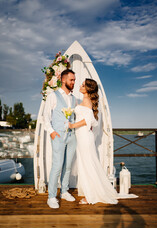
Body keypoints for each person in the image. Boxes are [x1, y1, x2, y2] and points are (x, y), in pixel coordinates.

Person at [68, 79, 118, 204]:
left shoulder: (86, 101)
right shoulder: (86, 101)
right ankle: (89, 191)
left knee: (87, 165)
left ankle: (90, 195)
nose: (80, 85)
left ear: (88, 89)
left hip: (84, 136)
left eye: (83, 85)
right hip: (82, 136)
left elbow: (88, 120)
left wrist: (72, 125)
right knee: (86, 164)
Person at [44, 69, 77, 209]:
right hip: (58, 136)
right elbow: (46, 116)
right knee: (57, 166)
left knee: (68, 166)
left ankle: (64, 191)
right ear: (63, 80)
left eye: (74, 80)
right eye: (71, 80)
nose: (74, 82)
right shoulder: (53, 95)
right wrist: (52, 132)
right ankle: (51, 196)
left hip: (71, 136)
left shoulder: (74, 98)